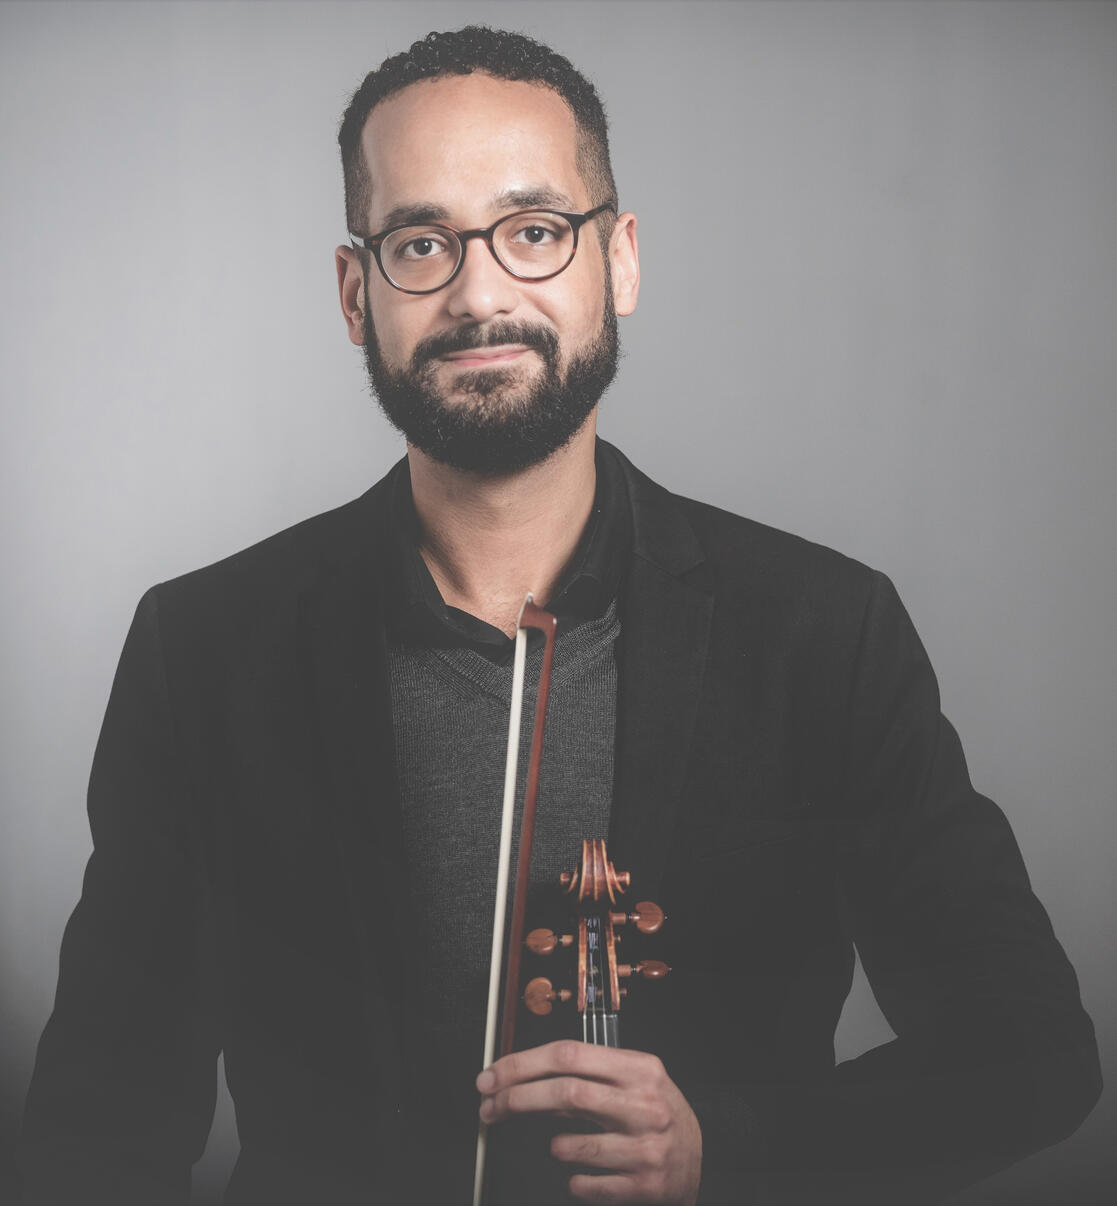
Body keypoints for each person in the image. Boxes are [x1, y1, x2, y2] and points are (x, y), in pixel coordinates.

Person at [22, 25, 1100, 1206]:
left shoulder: (821, 635)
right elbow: (100, 1125)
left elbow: (1029, 1053)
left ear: (618, 261)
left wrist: (731, 1147)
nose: (480, 293)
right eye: (419, 242)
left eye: (534, 230)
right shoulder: (206, 650)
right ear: (354, 293)